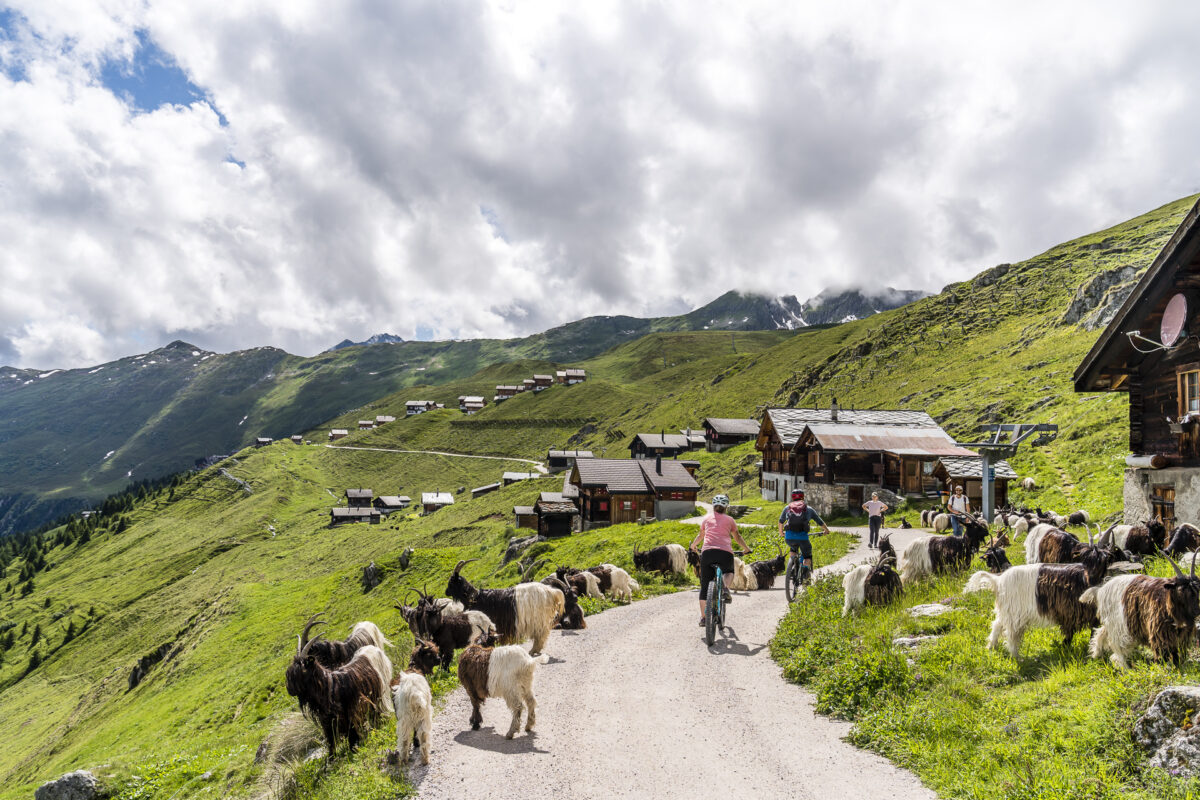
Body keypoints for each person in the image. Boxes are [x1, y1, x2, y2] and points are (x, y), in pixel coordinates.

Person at [689, 494, 751, 627]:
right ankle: (725, 588)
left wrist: (693, 546)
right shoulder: (730, 520)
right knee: (729, 571)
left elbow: (701, 536)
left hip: (707, 553)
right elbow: (737, 537)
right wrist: (746, 548)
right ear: (726, 507)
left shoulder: (706, 519)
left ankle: (704, 618)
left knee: (705, 587)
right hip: (724, 553)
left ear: (713, 506)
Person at [778, 489, 832, 577]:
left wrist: (781, 533)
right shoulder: (809, 509)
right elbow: (819, 521)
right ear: (803, 497)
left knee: (793, 548)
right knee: (807, 556)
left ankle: (792, 565)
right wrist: (826, 530)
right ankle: (805, 571)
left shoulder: (787, 508)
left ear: (792, 498)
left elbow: (781, 522)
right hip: (803, 538)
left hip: (789, 537)